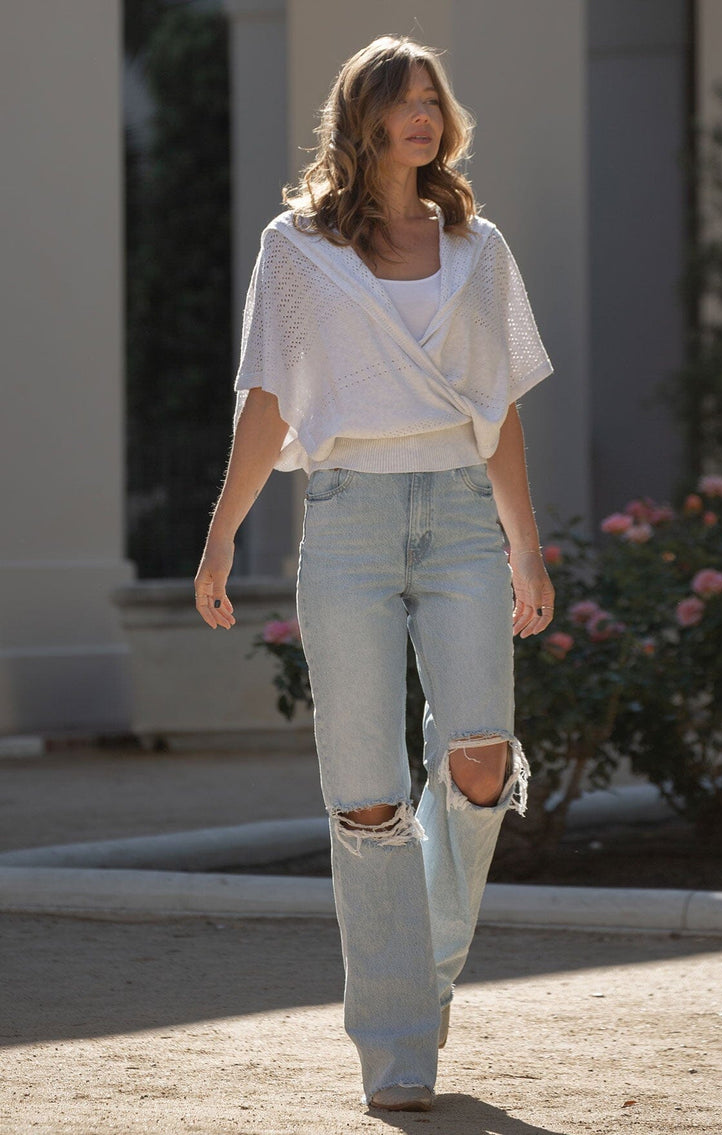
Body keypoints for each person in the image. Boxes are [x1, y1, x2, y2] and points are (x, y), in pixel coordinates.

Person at [194, 34, 555, 1113]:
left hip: (454, 515)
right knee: (367, 801)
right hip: (346, 516)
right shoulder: (295, 249)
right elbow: (265, 402)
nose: (420, 117)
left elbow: (497, 411)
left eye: (431, 100)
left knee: (480, 758)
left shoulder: (476, 246)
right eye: (399, 101)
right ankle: (398, 1043)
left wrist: (523, 545)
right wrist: (219, 541)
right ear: (360, 120)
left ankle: (417, 973)